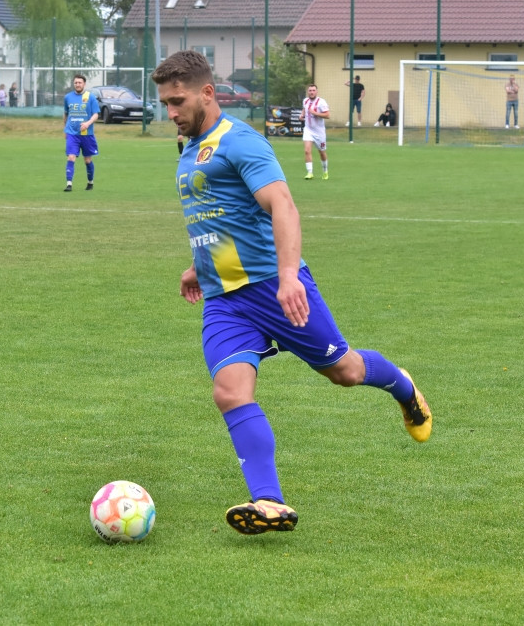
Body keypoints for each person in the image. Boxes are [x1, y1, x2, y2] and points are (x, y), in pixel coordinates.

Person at [151, 50, 432, 537]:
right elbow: (217, 215)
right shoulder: (187, 149)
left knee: (344, 371)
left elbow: (282, 206)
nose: (170, 112)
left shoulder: (241, 142)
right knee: (229, 392)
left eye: (177, 102)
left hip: (274, 288)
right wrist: (197, 268)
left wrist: (287, 277)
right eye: (165, 103)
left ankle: (403, 386)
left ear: (207, 93)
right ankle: (270, 502)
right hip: (225, 301)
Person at [62, 73, 99, 192]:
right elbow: (66, 114)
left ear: (84, 84)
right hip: (72, 133)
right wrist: (65, 129)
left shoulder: (90, 97)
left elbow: (96, 114)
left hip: (86, 134)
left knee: (87, 160)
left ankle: (90, 182)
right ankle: (69, 184)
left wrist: (87, 123)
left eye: (80, 83)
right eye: (75, 83)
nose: (77, 85)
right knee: (71, 157)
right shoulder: (68, 97)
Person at [301, 84, 329, 180]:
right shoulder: (305, 101)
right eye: (310, 90)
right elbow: (304, 109)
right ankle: (310, 173)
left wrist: (315, 113)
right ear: (308, 92)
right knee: (307, 150)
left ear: (316, 92)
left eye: (313, 90)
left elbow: (327, 115)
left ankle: (325, 171)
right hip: (308, 130)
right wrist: (302, 115)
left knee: (321, 152)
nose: (311, 92)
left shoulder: (321, 102)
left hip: (319, 132)